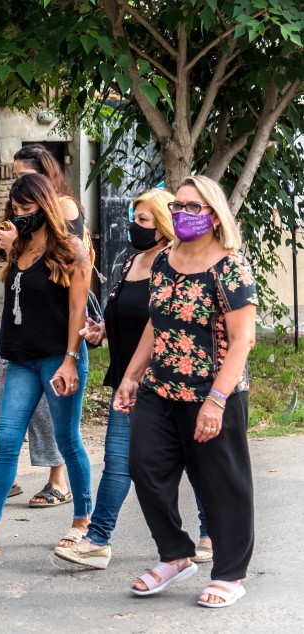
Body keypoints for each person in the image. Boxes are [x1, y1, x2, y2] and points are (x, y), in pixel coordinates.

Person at [115, 175, 256, 608]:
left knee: (220, 484)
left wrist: (216, 400)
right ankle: (175, 555)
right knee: (144, 466)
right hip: (161, 387)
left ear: (213, 215)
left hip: (212, 392)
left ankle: (230, 575)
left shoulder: (230, 267)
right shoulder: (164, 259)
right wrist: (131, 375)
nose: (182, 213)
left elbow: (243, 339)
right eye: (178, 205)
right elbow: (156, 321)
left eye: (194, 207)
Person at [54, 188, 211, 569]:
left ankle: (211, 532)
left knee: (195, 462)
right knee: (117, 461)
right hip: (126, 381)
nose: (133, 227)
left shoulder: (175, 264)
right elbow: (126, 313)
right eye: (133, 218)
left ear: (162, 225)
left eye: (142, 221)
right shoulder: (130, 261)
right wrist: (102, 330)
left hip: (169, 384)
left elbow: (168, 322)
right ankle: (97, 540)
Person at [0, 173, 93, 556]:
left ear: (45, 206)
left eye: (27, 208)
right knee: (8, 440)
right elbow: (15, 307)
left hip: (59, 359)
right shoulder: (19, 246)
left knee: (67, 440)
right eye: (15, 208)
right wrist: (8, 358)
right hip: (22, 361)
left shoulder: (72, 249)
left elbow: (78, 312)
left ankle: (83, 523)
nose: (20, 214)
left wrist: (71, 361)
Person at [0, 144, 85, 521]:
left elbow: (73, 298)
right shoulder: (19, 231)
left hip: (53, 337)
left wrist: (70, 359)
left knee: (64, 432)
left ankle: (78, 510)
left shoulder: (66, 222)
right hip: (19, 334)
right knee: (2, 423)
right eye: (15, 178)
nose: (18, 213)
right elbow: (1, 262)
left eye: (24, 176)